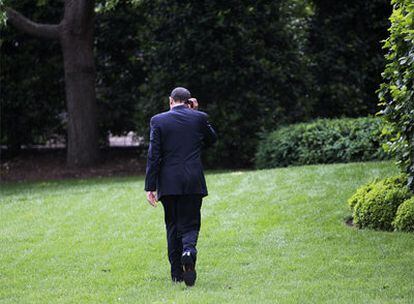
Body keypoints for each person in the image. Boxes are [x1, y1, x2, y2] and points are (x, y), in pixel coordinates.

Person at [144, 87, 217, 286]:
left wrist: (150, 186)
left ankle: (176, 273)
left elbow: (154, 155)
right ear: (188, 102)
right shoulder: (198, 118)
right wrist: (196, 113)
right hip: (193, 180)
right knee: (191, 222)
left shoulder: (157, 121)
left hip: (168, 183)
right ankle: (188, 250)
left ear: (170, 101)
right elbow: (212, 139)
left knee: (172, 225)